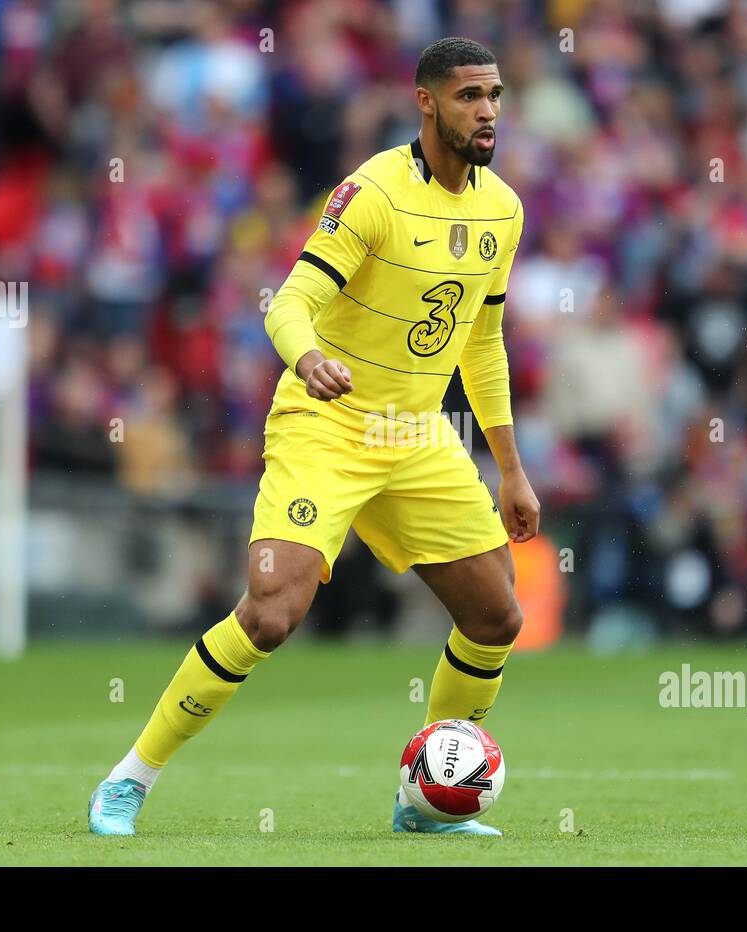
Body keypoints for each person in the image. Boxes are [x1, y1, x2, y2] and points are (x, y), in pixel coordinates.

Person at [88, 37, 540, 837]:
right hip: (326, 425)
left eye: (495, 95)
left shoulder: (503, 208)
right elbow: (286, 303)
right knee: (268, 614)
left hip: (419, 434)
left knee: (496, 618)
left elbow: (482, 344)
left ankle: (426, 802)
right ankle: (130, 778)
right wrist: (310, 358)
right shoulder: (370, 192)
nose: (488, 111)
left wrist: (511, 468)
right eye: (470, 95)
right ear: (427, 102)